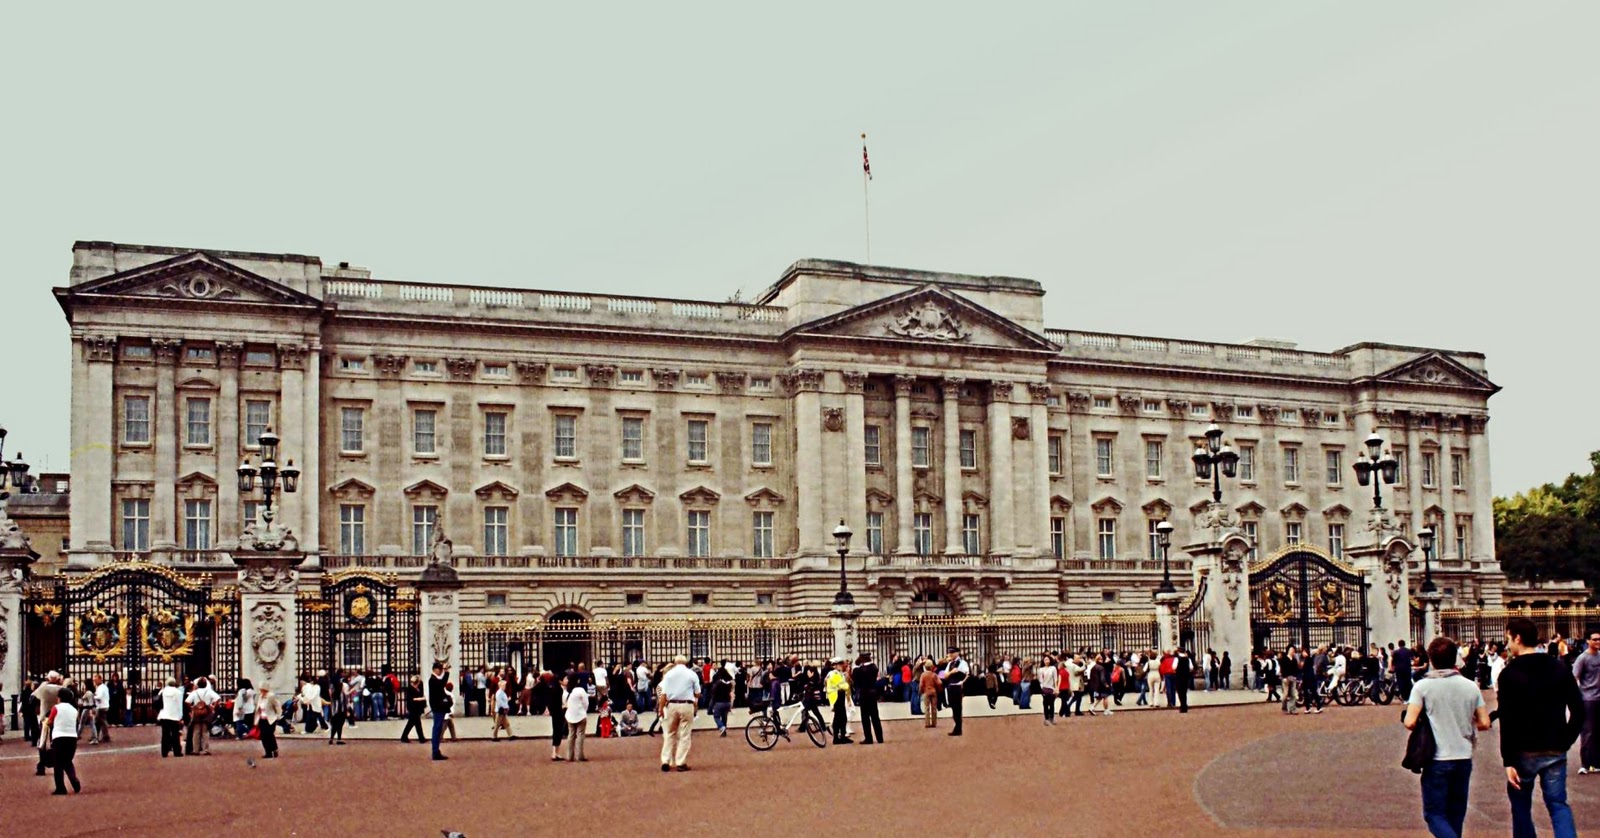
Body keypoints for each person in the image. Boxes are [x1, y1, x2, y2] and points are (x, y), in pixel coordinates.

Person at [1497, 616, 1584, 838]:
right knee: (1558, 805)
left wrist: (1508, 760)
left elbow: (1508, 720)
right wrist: (1567, 739)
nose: (1507, 644)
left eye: (1509, 638)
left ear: (1517, 638)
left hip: (1523, 751)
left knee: (1521, 807)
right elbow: (1579, 710)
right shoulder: (1559, 668)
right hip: (1555, 747)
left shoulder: (1509, 674)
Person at [1404, 636, 1491, 838]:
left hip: (1437, 759)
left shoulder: (1423, 687)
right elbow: (1484, 722)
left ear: (1431, 659)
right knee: (1455, 815)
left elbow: (1409, 721)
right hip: (1463, 757)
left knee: (1434, 815)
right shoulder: (1470, 686)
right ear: (1455, 658)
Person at [659, 654, 700, 771]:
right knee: (685, 734)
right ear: (686, 663)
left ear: (675, 662)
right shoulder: (692, 674)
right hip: (686, 704)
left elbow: (663, 695)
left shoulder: (668, 675)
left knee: (670, 733)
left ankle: (665, 760)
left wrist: (661, 709)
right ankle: (680, 762)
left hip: (671, 704)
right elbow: (698, 693)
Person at [46, 686, 82, 795]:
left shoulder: (56, 708)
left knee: (58, 764)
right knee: (67, 761)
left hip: (59, 737)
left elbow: (49, 722)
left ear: (60, 698)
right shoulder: (74, 710)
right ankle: (74, 781)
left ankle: (60, 787)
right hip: (72, 738)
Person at [1573, 631, 1600, 775]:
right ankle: (1585, 763)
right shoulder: (1582, 658)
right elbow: (1574, 677)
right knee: (1588, 732)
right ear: (1588, 641)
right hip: (1588, 699)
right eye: (1594, 639)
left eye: (1599, 639)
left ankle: (1596, 763)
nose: (1598, 641)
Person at [32, 671, 64, 776]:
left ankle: (42, 765)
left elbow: (32, 697)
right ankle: (57, 762)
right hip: (57, 718)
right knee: (56, 742)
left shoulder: (43, 688)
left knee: (43, 742)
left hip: (45, 717)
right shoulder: (61, 689)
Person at [185, 676, 219, 755]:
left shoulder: (195, 692)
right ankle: (206, 749)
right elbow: (218, 698)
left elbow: (187, 701)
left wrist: (192, 708)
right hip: (206, 712)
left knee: (196, 732)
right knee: (205, 732)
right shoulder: (209, 691)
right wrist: (213, 706)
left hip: (196, 712)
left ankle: (196, 750)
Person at [427, 661, 451, 761]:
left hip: (438, 707)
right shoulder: (433, 680)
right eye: (440, 669)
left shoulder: (434, 679)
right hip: (438, 707)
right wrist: (447, 672)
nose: (441, 671)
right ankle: (435, 751)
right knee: (437, 729)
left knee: (437, 728)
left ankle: (436, 750)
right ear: (435, 669)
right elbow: (442, 684)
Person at [942, 648, 969, 736]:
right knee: (953, 708)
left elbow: (967, 674)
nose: (951, 654)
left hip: (957, 687)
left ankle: (958, 728)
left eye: (952, 652)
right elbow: (945, 676)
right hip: (951, 687)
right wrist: (951, 672)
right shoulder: (950, 664)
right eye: (950, 653)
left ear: (957, 653)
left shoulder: (962, 663)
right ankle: (957, 727)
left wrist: (962, 682)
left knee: (958, 708)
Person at [157, 677, 185, 758]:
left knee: (165, 734)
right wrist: (180, 717)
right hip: (174, 716)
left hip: (164, 715)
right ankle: (177, 751)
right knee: (175, 734)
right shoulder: (178, 692)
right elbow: (179, 706)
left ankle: (164, 752)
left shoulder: (163, 691)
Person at [564, 675, 589, 762]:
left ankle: (569, 755)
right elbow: (586, 703)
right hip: (580, 715)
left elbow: (565, 703)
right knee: (580, 735)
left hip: (570, 715)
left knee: (571, 735)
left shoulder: (566, 692)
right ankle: (579, 755)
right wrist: (583, 711)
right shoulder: (580, 690)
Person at [255, 684, 281, 759]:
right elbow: (258, 708)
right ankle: (268, 752)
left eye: (262, 690)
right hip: (262, 719)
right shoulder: (260, 697)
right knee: (263, 736)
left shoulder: (271, 696)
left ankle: (274, 749)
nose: (261, 691)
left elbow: (277, 705)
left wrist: (278, 716)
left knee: (269, 735)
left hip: (270, 719)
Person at [400, 675, 426, 744]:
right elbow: (411, 699)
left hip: (417, 708)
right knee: (416, 723)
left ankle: (405, 736)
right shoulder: (410, 688)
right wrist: (421, 699)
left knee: (412, 723)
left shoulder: (417, 688)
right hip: (413, 708)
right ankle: (421, 738)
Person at [709, 666, 734, 737]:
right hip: (727, 702)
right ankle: (724, 731)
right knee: (724, 717)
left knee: (716, 716)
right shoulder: (729, 684)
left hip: (719, 702)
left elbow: (714, 694)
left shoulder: (718, 683)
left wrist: (712, 704)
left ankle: (721, 727)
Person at [1037, 654, 1059, 725]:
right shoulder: (1041, 670)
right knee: (1045, 703)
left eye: (1048, 659)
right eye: (1045, 660)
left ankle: (1051, 717)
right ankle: (1046, 718)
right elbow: (1041, 680)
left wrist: (1056, 688)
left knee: (1052, 703)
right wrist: (1042, 688)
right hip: (1044, 688)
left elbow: (1055, 679)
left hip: (1051, 688)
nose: (1047, 661)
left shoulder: (1053, 668)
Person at [90, 675, 112, 744]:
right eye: (94, 680)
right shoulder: (102, 687)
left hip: (102, 706)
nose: (95, 681)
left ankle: (101, 736)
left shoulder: (101, 687)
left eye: (96, 680)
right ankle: (99, 736)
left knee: (100, 721)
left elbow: (99, 697)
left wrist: (93, 696)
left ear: (100, 679)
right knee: (100, 722)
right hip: (102, 706)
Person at [1173, 649, 1193, 713]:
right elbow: (1191, 667)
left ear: (1178, 652)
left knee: (1180, 692)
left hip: (1179, 676)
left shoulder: (1177, 659)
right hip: (1186, 677)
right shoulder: (1188, 659)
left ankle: (1182, 706)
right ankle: (1185, 706)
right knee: (1184, 692)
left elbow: (1174, 667)